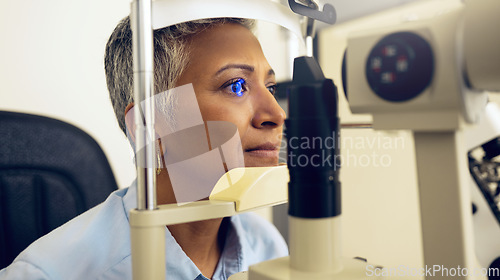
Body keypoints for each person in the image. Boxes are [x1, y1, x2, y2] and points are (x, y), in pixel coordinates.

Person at [0, 16, 288, 280]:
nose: (276, 114)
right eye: (236, 85)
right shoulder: (48, 274)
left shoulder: (265, 245)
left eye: (271, 87)